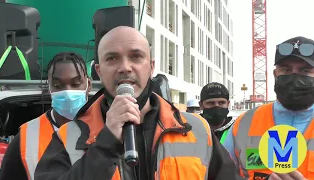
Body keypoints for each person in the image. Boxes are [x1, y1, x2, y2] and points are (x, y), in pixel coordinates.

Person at [34, 26, 243, 180]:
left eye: (136, 57)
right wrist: (106, 146)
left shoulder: (196, 129)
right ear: (98, 71)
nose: (125, 67)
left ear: (151, 67)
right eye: (112, 59)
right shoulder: (68, 136)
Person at [223, 36, 314, 180]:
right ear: (275, 75)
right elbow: (221, 174)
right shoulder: (244, 123)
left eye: (305, 71)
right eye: (286, 70)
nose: (294, 78)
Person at [0, 52, 91, 180]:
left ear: (88, 85)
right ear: (50, 89)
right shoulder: (26, 137)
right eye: (58, 86)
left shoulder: (107, 128)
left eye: (75, 84)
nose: (68, 92)